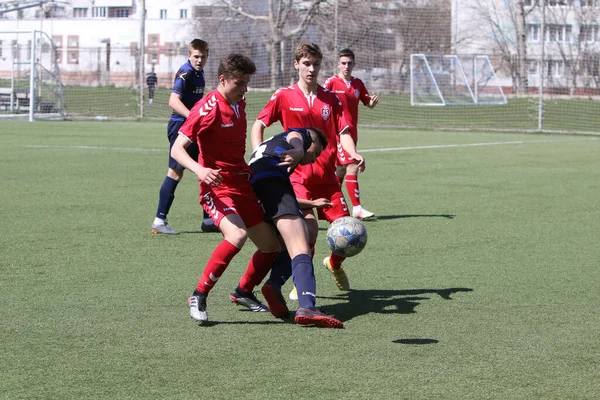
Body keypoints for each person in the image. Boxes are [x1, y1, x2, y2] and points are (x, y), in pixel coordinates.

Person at [172, 54, 341, 328]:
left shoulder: (239, 102)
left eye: (247, 83)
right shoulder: (206, 108)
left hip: (243, 184)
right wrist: (200, 170)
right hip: (217, 187)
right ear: (222, 79)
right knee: (236, 235)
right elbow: (177, 149)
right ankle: (198, 295)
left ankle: (242, 292)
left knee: (271, 246)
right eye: (240, 83)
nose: (245, 89)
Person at [248, 42, 366, 301]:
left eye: (315, 64)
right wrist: (259, 156)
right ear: (296, 65)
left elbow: (344, 133)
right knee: (308, 232)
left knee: (352, 230)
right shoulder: (283, 95)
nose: (311, 69)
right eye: (306, 64)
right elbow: (259, 124)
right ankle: (302, 283)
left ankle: (334, 264)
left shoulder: (331, 99)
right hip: (296, 179)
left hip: (327, 179)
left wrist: (354, 153)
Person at [248, 127, 343, 328]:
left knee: (283, 244)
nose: (314, 159)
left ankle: (259, 287)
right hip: (271, 183)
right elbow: (297, 135)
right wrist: (300, 148)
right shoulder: (300, 138)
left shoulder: (271, 151)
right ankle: (307, 306)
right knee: (302, 243)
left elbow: (281, 197)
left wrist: (312, 204)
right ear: (313, 142)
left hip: (252, 191)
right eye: (315, 153)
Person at [151, 38, 218, 235]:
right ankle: (159, 220)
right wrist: (193, 118)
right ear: (189, 55)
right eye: (196, 56)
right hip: (180, 127)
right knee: (175, 172)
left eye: (203, 57)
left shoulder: (199, 72)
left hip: (191, 127)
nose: (199, 60)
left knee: (205, 167)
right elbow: (173, 101)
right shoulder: (186, 72)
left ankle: (208, 219)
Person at [324, 48, 380, 220]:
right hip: (337, 133)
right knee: (353, 164)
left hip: (351, 133)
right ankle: (357, 208)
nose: (346, 66)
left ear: (354, 64)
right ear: (338, 64)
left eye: (349, 63)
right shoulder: (331, 83)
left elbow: (366, 103)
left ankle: (329, 204)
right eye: (343, 63)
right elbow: (321, 100)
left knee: (340, 171)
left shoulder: (358, 83)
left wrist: (371, 102)